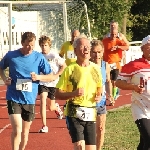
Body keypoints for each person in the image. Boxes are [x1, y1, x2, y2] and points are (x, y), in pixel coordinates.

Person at [0, 32, 58, 150]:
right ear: (22, 43)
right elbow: (1, 67)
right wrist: (5, 79)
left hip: (29, 99)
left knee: (25, 133)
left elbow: (51, 76)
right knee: (17, 129)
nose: (30, 48)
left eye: (32, 45)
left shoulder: (38, 57)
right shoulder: (12, 56)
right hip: (13, 97)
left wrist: (38, 77)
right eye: (27, 45)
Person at [55, 34, 103, 150]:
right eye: (82, 46)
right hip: (74, 112)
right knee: (79, 146)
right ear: (75, 50)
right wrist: (73, 94)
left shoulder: (96, 68)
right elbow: (57, 93)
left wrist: (99, 95)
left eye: (87, 46)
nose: (86, 49)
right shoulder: (70, 69)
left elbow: (99, 87)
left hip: (91, 113)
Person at [115, 35, 150, 150]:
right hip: (141, 108)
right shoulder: (133, 65)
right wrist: (133, 87)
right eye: (148, 47)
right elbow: (118, 83)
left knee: (144, 142)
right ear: (142, 49)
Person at [38, 36, 66, 133]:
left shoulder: (54, 55)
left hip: (53, 83)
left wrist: (57, 75)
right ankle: (44, 125)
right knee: (42, 100)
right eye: (42, 45)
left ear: (49, 45)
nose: (44, 47)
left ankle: (56, 107)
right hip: (42, 82)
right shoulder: (39, 56)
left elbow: (64, 65)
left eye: (45, 45)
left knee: (51, 107)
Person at [90, 40, 114, 150]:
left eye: (99, 52)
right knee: (89, 131)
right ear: (90, 52)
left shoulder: (105, 65)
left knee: (100, 128)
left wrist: (110, 94)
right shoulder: (86, 65)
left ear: (103, 51)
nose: (97, 55)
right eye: (94, 52)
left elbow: (108, 81)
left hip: (101, 103)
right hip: (88, 103)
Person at [103, 21, 129, 100]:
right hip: (107, 61)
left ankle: (115, 93)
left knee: (114, 80)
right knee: (108, 80)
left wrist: (119, 47)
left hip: (117, 59)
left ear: (117, 27)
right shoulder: (106, 37)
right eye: (111, 26)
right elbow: (102, 46)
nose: (113, 27)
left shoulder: (120, 36)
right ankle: (110, 95)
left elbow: (127, 45)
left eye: (114, 26)